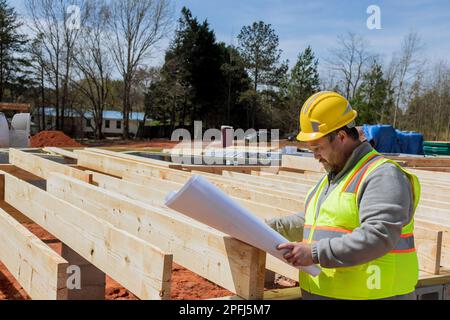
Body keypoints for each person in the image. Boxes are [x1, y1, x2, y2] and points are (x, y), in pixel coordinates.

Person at [267, 91, 420, 300]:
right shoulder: (336, 175)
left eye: (318, 147)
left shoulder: (382, 175)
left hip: (374, 295)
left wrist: (314, 253)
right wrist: (269, 227)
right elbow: (316, 222)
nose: (315, 156)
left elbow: (378, 235)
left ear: (341, 136)